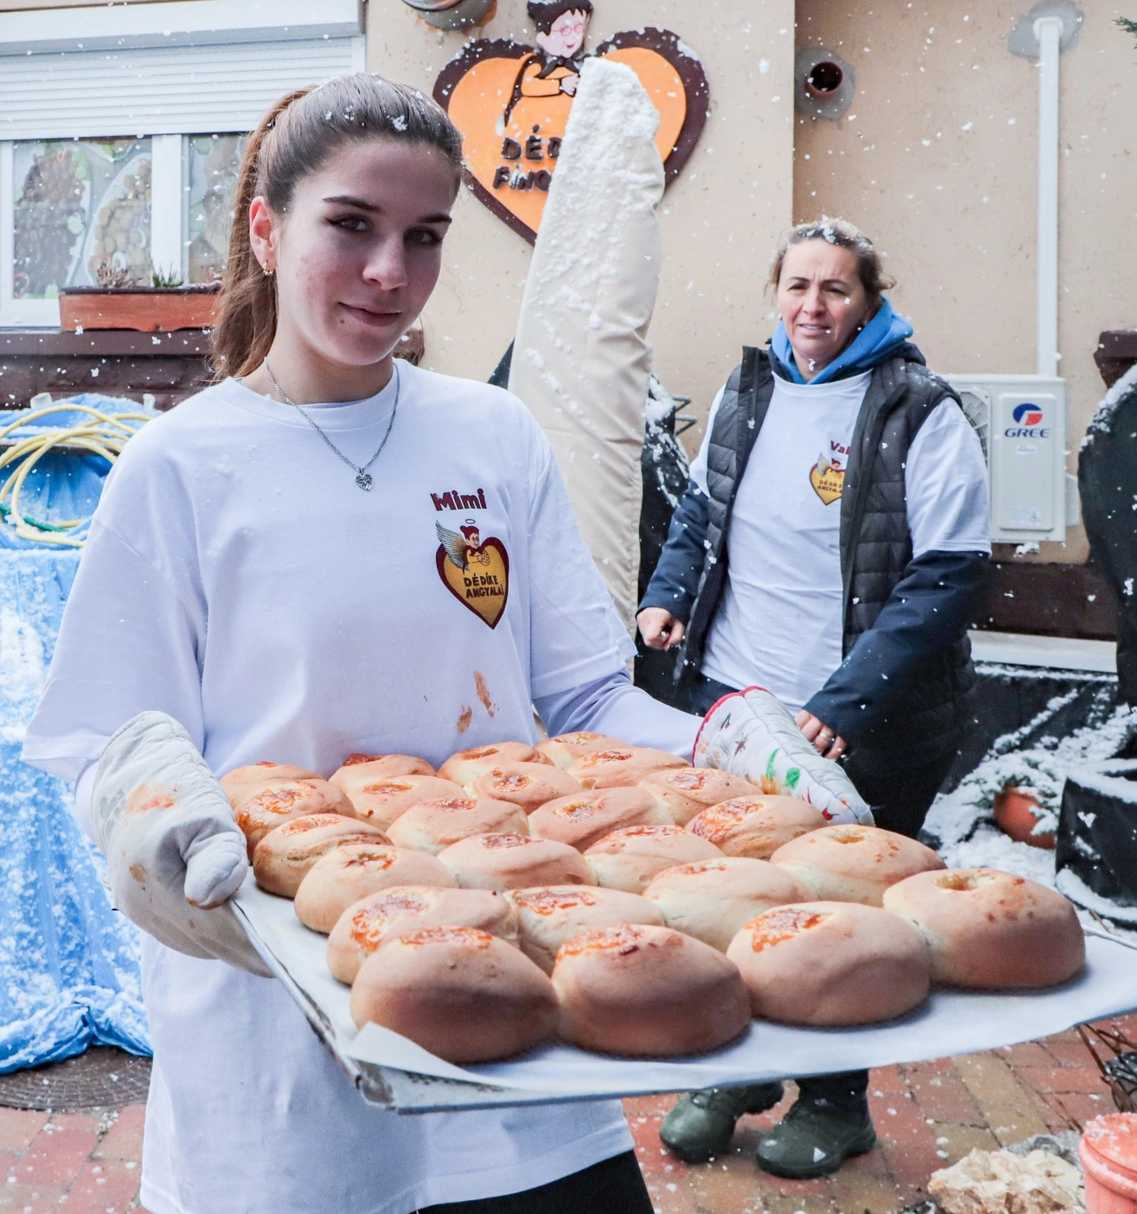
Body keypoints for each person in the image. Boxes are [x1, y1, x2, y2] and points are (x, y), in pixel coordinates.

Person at [23, 74, 716, 1214]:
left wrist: (726, 741)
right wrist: (162, 821)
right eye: (351, 226)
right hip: (285, 1040)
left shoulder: (490, 434)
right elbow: (104, 736)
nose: (391, 273)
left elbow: (586, 697)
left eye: (425, 236)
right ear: (265, 226)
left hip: (515, 1024)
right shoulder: (183, 467)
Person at [638, 218, 991, 1180]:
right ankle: (743, 1069)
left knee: (846, 917)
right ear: (775, 295)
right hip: (746, 705)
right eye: (796, 287)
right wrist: (668, 597)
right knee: (737, 892)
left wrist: (847, 699)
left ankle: (835, 1100)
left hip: (867, 719)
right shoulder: (746, 392)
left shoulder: (918, 408)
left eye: (835, 289)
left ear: (871, 301)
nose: (812, 308)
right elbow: (702, 514)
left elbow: (948, 576)